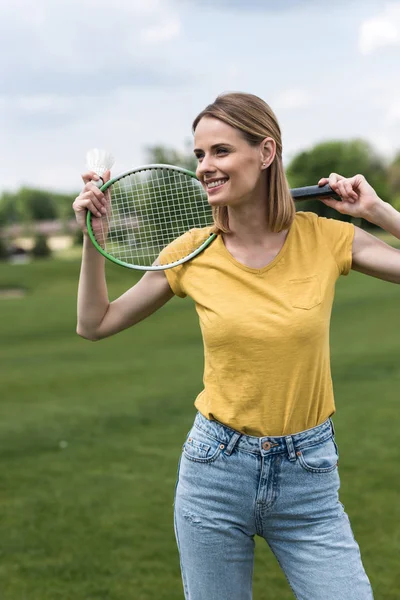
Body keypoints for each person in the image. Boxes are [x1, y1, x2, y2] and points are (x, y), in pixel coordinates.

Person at [73, 92, 400, 600]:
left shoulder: (325, 237)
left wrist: (378, 210)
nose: (205, 167)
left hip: (308, 477)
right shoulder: (191, 252)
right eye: (199, 154)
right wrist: (95, 239)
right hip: (214, 473)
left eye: (220, 152)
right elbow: (95, 323)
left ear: (266, 152)